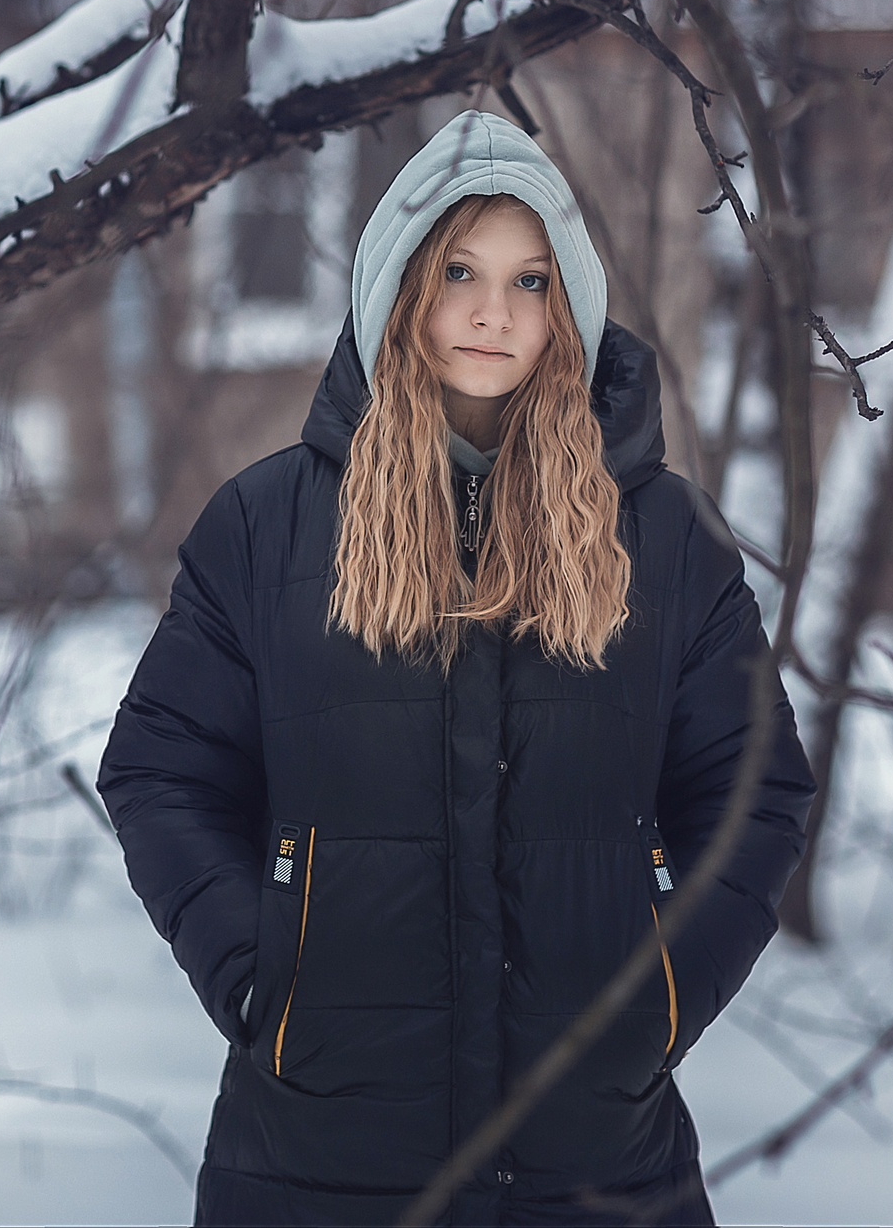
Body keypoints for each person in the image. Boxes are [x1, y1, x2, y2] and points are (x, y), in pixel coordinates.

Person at [98, 109, 815, 1226]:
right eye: (459, 271)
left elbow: (753, 789)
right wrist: (262, 977)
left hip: (593, 1161)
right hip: (318, 1153)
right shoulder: (266, 526)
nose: (492, 311)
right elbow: (162, 771)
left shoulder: (662, 536)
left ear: (568, 304)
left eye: (531, 281)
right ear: (399, 285)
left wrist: (662, 997)